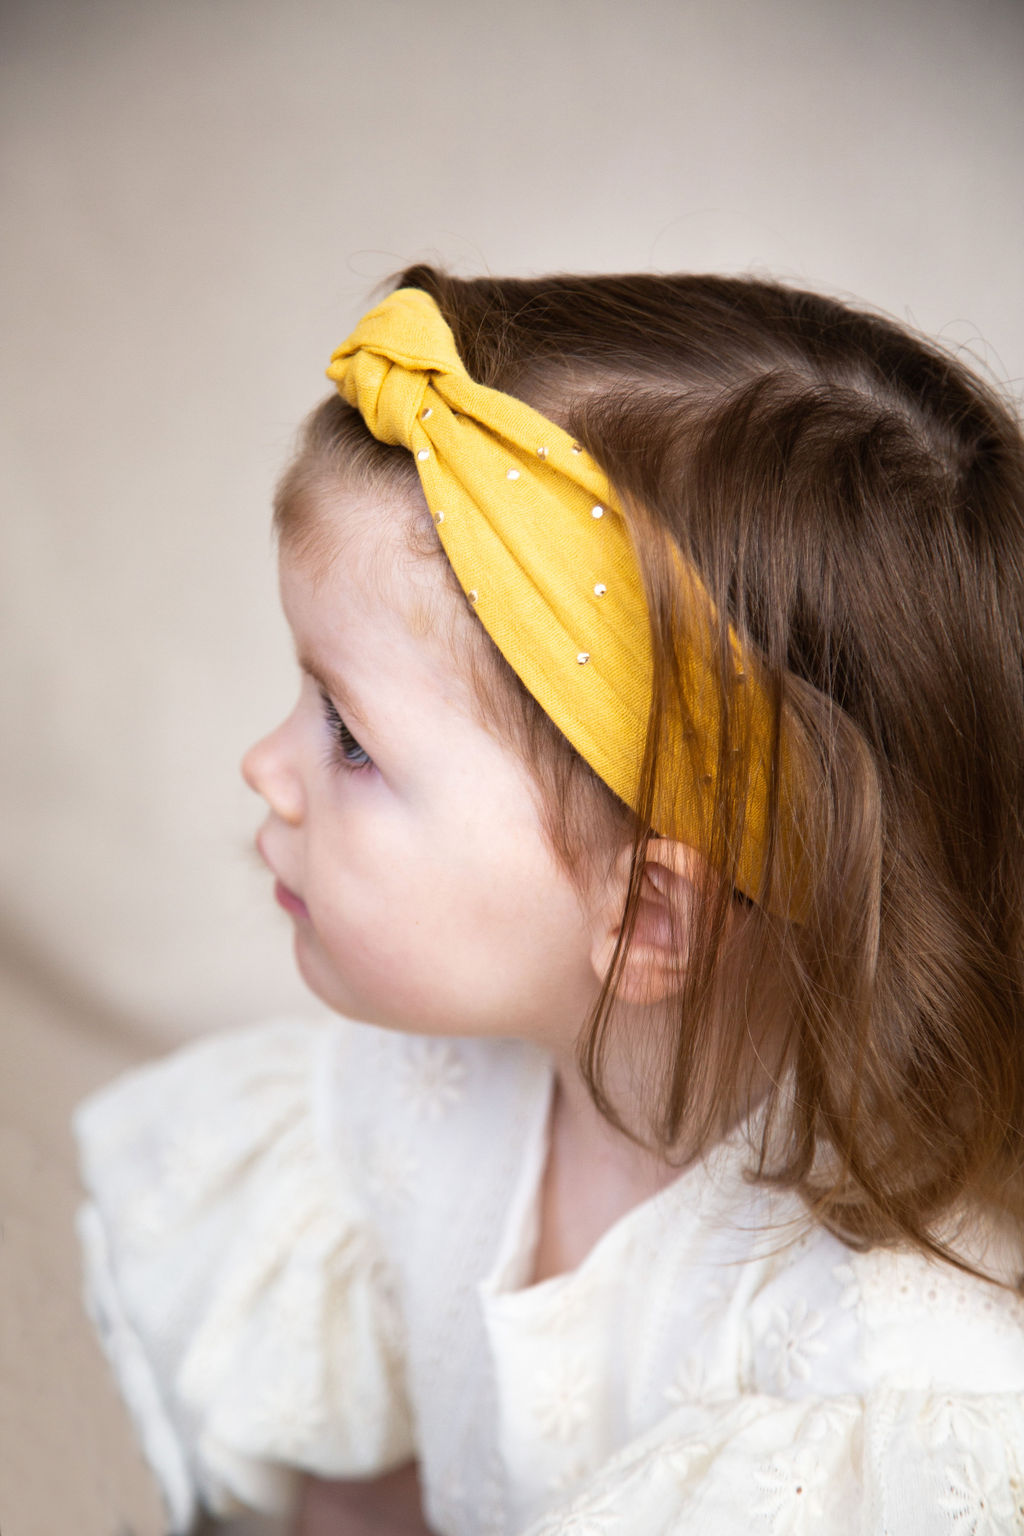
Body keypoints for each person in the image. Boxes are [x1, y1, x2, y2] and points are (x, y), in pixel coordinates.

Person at [75, 268, 1024, 1536]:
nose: (267, 770)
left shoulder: (871, 1371)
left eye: (350, 739)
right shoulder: (428, 1097)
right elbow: (356, 1463)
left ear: (646, 921)